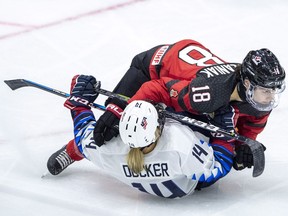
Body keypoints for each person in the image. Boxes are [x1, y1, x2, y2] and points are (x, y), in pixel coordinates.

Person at [93, 39, 286, 170]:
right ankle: (72, 151)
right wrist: (122, 109)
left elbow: (246, 129)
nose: (271, 97)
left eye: (275, 90)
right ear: (246, 84)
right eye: (267, 90)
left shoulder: (260, 100)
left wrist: (243, 145)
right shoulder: (208, 93)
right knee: (112, 127)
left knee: (206, 133)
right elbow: (156, 88)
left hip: (189, 65)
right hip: (152, 65)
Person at [47, 75, 233, 198]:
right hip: (188, 182)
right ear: (158, 130)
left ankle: (72, 152)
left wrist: (79, 99)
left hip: (153, 169)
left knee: (91, 143)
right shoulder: (180, 144)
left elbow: (82, 135)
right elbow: (218, 167)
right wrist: (225, 131)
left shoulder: (112, 150)